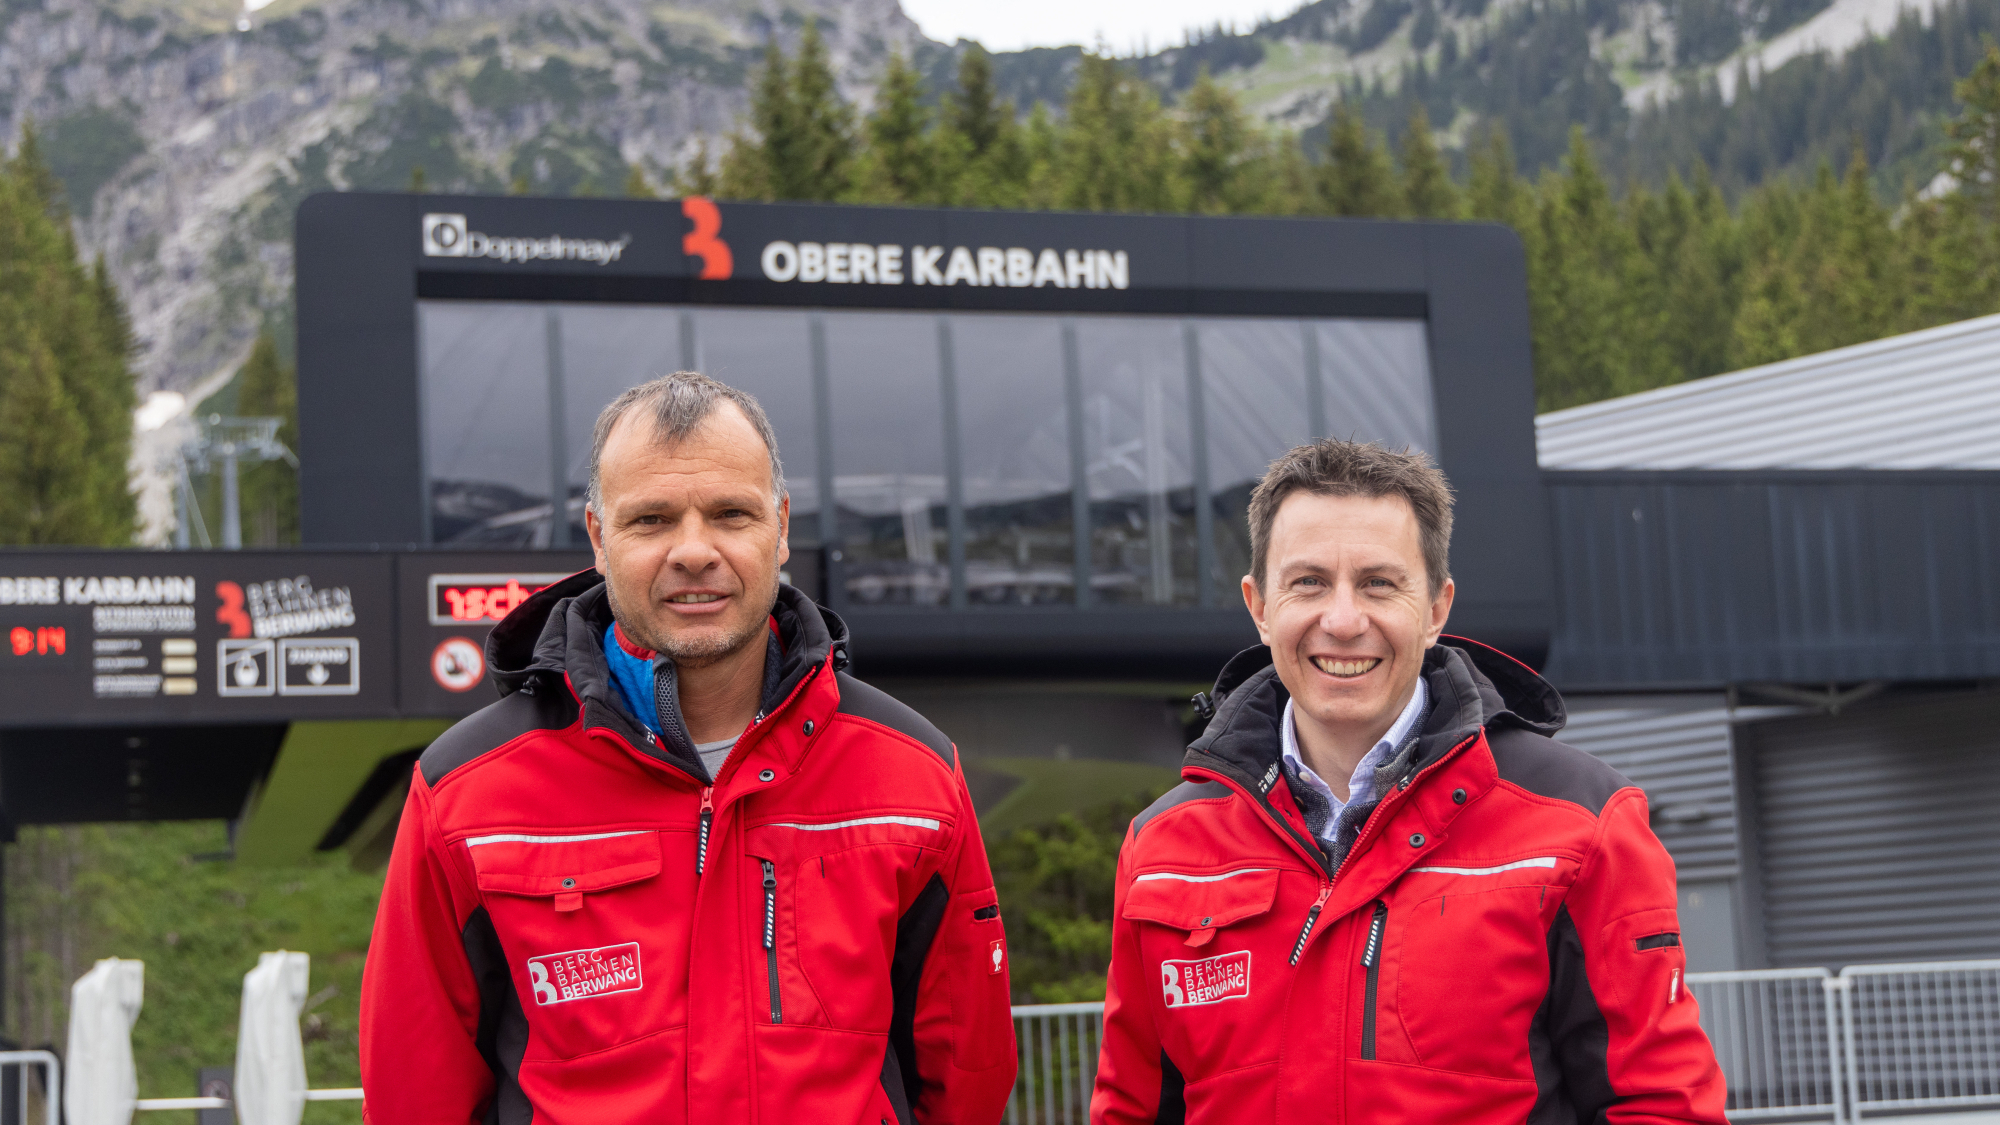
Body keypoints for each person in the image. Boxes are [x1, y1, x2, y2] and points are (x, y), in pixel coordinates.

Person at [360, 372, 1016, 1123]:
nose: (694, 550)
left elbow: (967, 1077)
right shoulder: (465, 796)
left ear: (782, 526)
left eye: (731, 513)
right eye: (652, 519)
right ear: (599, 539)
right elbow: (416, 1091)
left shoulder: (916, 777)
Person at [1091, 439, 1725, 1124]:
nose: (1342, 620)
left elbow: (1662, 1106)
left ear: (1436, 607)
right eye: (1308, 581)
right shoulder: (1163, 849)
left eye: (1378, 583)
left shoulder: (1579, 824)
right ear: (1259, 605)